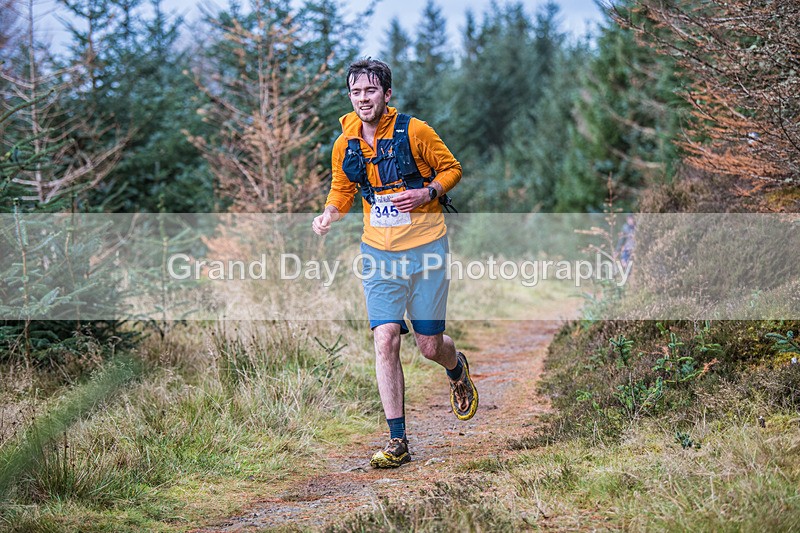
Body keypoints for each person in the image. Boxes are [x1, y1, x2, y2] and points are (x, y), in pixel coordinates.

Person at [312, 58, 478, 468]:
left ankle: (456, 369)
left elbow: (453, 168)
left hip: (426, 250)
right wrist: (330, 214)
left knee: (428, 346)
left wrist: (427, 194)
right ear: (350, 97)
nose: (363, 98)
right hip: (378, 253)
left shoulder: (415, 131)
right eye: (356, 92)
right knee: (385, 337)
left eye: (370, 91)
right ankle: (398, 440)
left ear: (387, 94)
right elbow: (342, 190)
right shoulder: (344, 142)